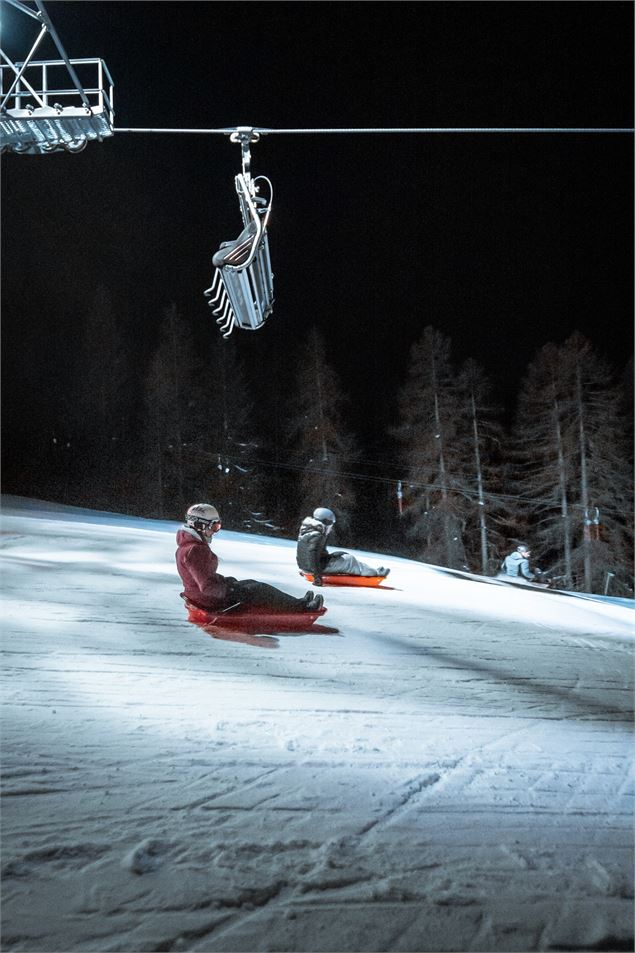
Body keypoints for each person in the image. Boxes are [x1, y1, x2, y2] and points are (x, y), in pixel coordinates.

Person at [176, 503, 324, 613]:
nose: (215, 531)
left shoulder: (187, 546)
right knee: (260, 590)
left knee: (251, 584)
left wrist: (227, 582)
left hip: (200, 595)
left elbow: (201, 576)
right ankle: (302, 608)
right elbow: (208, 587)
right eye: (214, 526)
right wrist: (231, 590)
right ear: (200, 525)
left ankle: (299, 603)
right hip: (209, 599)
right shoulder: (196, 550)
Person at [296, 507, 389, 586]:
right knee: (349, 560)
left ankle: (370, 570)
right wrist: (317, 576)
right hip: (315, 568)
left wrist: (304, 567)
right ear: (326, 522)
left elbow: (304, 551)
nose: (331, 527)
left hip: (308, 566)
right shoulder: (317, 535)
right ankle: (375, 573)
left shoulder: (308, 531)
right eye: (331, 524)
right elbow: (312, 554)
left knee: (341, 555)